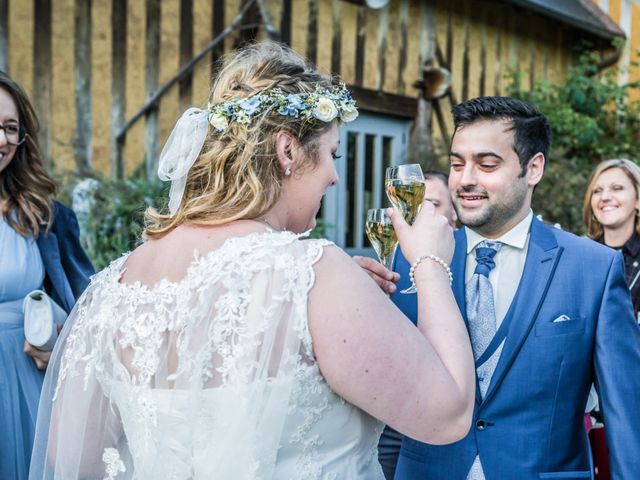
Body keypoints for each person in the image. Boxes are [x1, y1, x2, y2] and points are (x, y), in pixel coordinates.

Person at [29, 42, 475, 479]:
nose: (335, 175)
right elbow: (449, 414)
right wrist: (431, 263)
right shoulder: (313, 272)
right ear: (287, 151)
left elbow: (73, 455)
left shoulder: (113, 285)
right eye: (332, 154)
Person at [363, 96, 640, 479]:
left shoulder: (593, 268)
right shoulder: (408, 259)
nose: (466, 179)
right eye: (457, 164)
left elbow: (626, 419)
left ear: (533, 168)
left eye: (487, 164)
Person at [0, 71, 94, 479]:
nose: (2, 139)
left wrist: (61, 339)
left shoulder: (45, 218)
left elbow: (88, 309)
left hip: (26, 382)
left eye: (10, 128)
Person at [584, 158, 640, 319]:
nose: (605, 197)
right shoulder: (579, 256)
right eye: (597, 190)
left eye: (617, 188)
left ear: (637, 200)